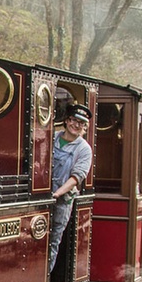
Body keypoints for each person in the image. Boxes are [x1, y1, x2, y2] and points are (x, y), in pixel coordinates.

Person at [49, 103, 93, 273]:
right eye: (74, 120)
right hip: (42, 196)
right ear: (67, 121)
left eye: (81, 123)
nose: (77, 125)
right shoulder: (51, 138)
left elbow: (76, 177)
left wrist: (57, 193)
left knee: (54, 239)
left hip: (61, 200)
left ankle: (46, 279)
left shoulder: (84, 149)